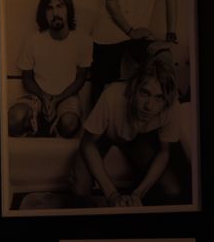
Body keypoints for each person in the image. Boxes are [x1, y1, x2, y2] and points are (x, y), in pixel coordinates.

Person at [73, 50, 187, 207]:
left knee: (172, 190)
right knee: (80, 189)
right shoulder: (112, 95)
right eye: (144, 93)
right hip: (104, 136)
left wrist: (137, 194)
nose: (149, 106)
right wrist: (112, 195)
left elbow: (164, 152)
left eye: (158, 97)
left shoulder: (172, 105)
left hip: (139, 138)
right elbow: (87, 144)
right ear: (134, 86)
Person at [10, 0, 92, 139]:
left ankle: (50, 129)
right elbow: (27, 78)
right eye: (50, 8)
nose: (55, 13)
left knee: (69, 124)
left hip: (68, 97)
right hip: (38, 96)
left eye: (60, 6)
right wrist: (44, 97)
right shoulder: (32, 40)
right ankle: (37, 126)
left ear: (68, 9)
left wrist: (57, 100)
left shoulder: (83, 40)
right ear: (44, 13)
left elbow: (81, 78)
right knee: (14, 119)